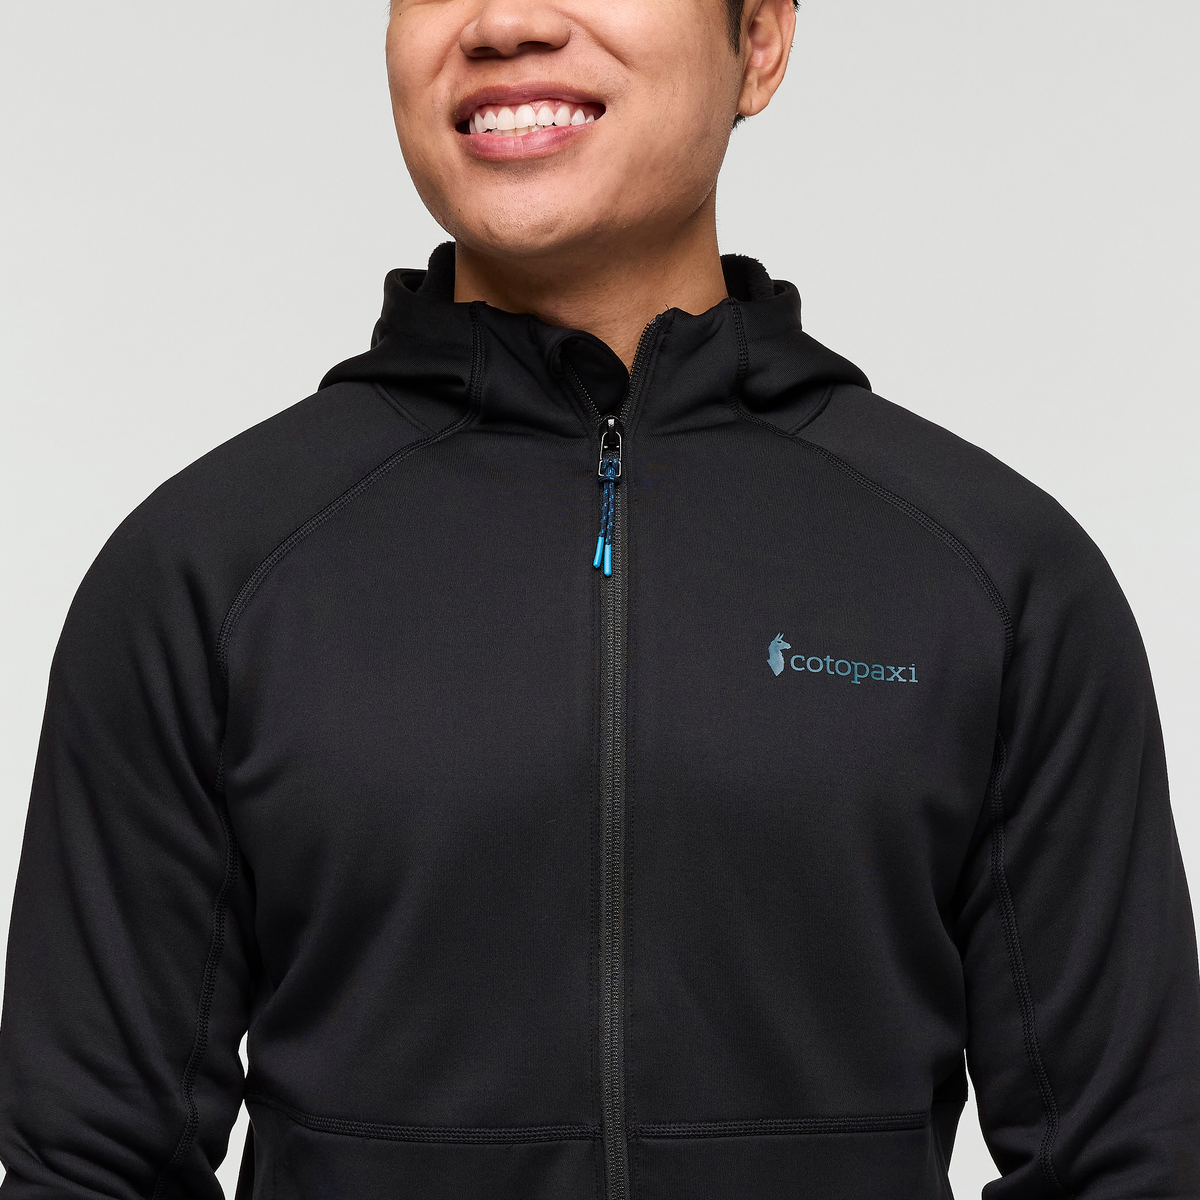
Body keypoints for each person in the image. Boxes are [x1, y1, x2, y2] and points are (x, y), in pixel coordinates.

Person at [1, 0, 1197, 1196]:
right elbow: (87, 1165)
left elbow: (1128, 1162)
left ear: (760, 40)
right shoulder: (205, 576)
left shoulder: (994, 579)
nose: (505, 21)